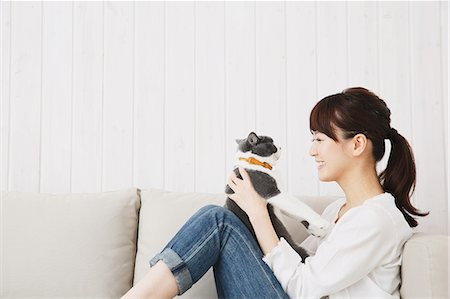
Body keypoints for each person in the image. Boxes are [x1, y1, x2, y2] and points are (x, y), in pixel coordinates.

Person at [121, 87, 428, 299]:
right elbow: (293, 260)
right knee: (223, 219)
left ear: (357, 145)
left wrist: (258, 212)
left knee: (217, 221)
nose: (311, 151)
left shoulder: (377, 219)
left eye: (320, 139)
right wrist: (257, 209)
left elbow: (303, 288)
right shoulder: (338, 211)